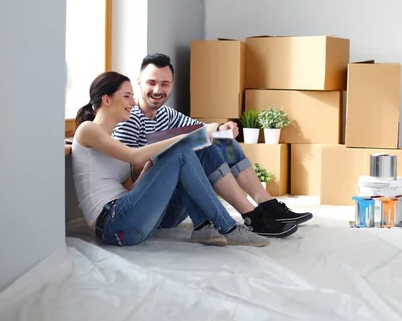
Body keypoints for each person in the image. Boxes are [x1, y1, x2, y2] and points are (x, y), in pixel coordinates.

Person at [112, 53, 313, 238]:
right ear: (139, 82)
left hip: (175, 202)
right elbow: (127, 181)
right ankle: (252, 216)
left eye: (164, 84)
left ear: (172, 84)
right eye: (151, 83)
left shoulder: (167, 114)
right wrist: (167, 152)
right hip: (152, 210)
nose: (158, 90)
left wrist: (221, 127)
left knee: (221, 139)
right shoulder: (129, 119)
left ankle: (266, 203)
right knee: (197, 146)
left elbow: (201, 128)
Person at [71, 71, 272, 247]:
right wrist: (184, 140)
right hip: (113, 224)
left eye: (165, 83)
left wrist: (153, 165)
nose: (133, 102)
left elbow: (131, 188)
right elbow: (134, 155)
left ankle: (259, 205)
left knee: (221, 143)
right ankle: (229, 226)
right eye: (127, 96)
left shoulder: (159, 118)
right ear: (106, 99)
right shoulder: (88, 129)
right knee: (183, 151)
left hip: (133, 220)